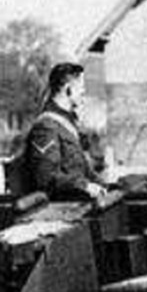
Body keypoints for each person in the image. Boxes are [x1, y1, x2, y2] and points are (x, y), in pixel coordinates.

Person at [25, 61, 108, 201]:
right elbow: (47, 177)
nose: (83, 93)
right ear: (68, 90)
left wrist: (105, 186)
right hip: (61, 205)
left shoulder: (69, 123)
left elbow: (84, 170)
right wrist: (85, 186)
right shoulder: (45, 128)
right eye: (81, 88)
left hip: (78, 201)